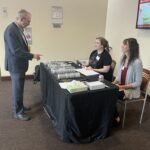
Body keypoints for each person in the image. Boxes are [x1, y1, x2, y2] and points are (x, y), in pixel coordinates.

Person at [4, 9, 42, 121]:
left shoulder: (18, 29)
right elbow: (16, 51)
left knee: (20, 88)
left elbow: (21, 47)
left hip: (19, 65)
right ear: (22, 19)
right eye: (28, 21)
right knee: (17, 89)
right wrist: (32, 56)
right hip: (15, 66)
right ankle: (18, 112)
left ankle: (20, 107)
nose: (29, 23)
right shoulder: (11, 30)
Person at [113, 38, 143, 125]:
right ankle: (112, 115)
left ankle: (116, 118)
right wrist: (113, 83)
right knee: (107, 91)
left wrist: (121, 87)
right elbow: (118, 76)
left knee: (110, 95)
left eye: (124, 44)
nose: (122, 46)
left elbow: (138, 83)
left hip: (130, 91)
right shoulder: (123, 58)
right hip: (121, 87)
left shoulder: (137, 62)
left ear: (131, 47)